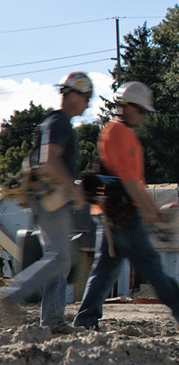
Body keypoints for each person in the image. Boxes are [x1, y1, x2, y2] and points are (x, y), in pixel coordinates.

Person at [72, 81, 179, 331]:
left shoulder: (114, 132)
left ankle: (86, 320)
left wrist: (150, 209)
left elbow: (130, 181)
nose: (142, 117)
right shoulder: (120, 134)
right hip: (121, 213)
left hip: (113, 212)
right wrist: (151, 211)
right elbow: (128, 181)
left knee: (105, 269)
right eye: (140, 111)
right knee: (149, 263)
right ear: (126, 106)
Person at [0, 72, 93, 334]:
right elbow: (48, 160)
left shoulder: (58, 123)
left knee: (60, 259)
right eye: (87, 97)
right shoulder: (58, 122)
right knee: (60, 258)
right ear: (73, 94)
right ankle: (12, 296)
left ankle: (52, 320)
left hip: (49, 202)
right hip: (50, 203)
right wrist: (73, 191)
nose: (88, 103)